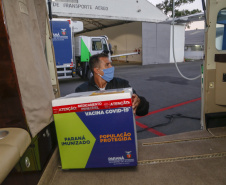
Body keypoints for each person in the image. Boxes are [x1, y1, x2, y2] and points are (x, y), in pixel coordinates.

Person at [75, 53, 149, 116]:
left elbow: (143, 111)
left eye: (111, 64)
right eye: (107, 65)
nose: (112, 67)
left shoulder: (122, 84)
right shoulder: (82, 90)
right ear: (97, 70)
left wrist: (139, 102)